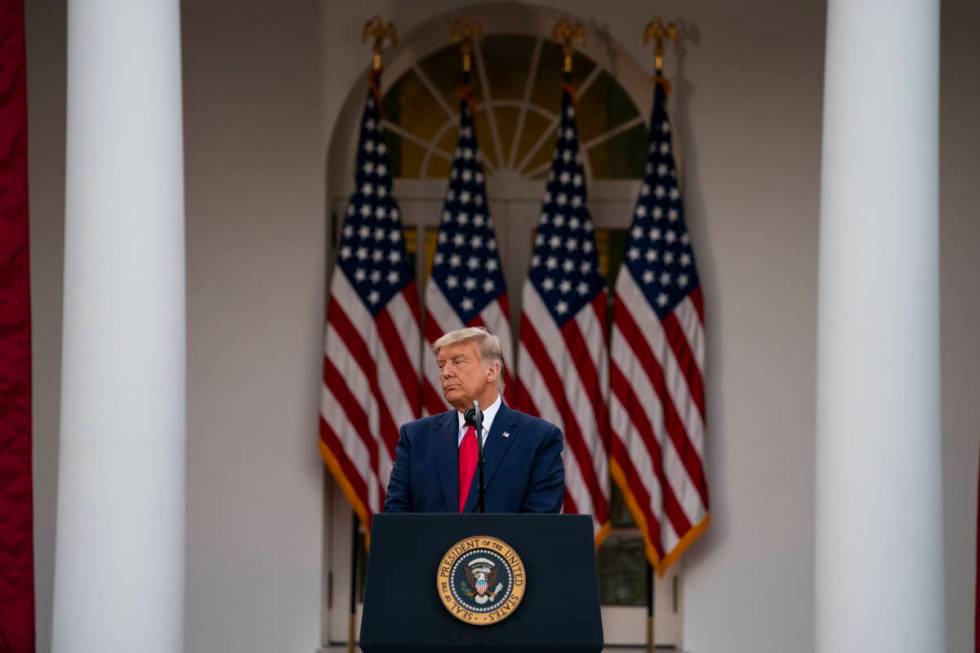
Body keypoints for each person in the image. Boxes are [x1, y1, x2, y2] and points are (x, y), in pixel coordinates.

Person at [383, 327, 564, 513]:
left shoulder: (538, 438)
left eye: (457, 362)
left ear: (492, 371)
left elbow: (539, 523)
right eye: (441, 365)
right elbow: (396, 516)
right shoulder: (416, 437)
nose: (446, 373)